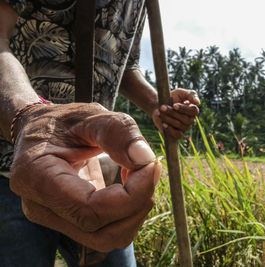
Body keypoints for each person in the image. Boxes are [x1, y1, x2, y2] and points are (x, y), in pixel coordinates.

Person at [0, 0, 200, 266]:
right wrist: (27, 116)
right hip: (16, 167)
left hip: (102, 173)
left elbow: (124, 63)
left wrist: (156, 102)